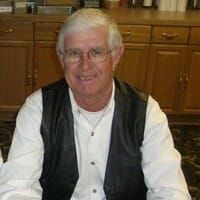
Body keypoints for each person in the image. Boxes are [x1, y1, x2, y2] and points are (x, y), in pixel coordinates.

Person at [0, 8, 191, 200]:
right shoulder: (37, 109)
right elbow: (17, 187)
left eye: (96, 52)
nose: (85, 65)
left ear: (116, 56)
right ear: (61, 58)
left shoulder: (146, 112)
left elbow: (170, 190)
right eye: (74, 53)